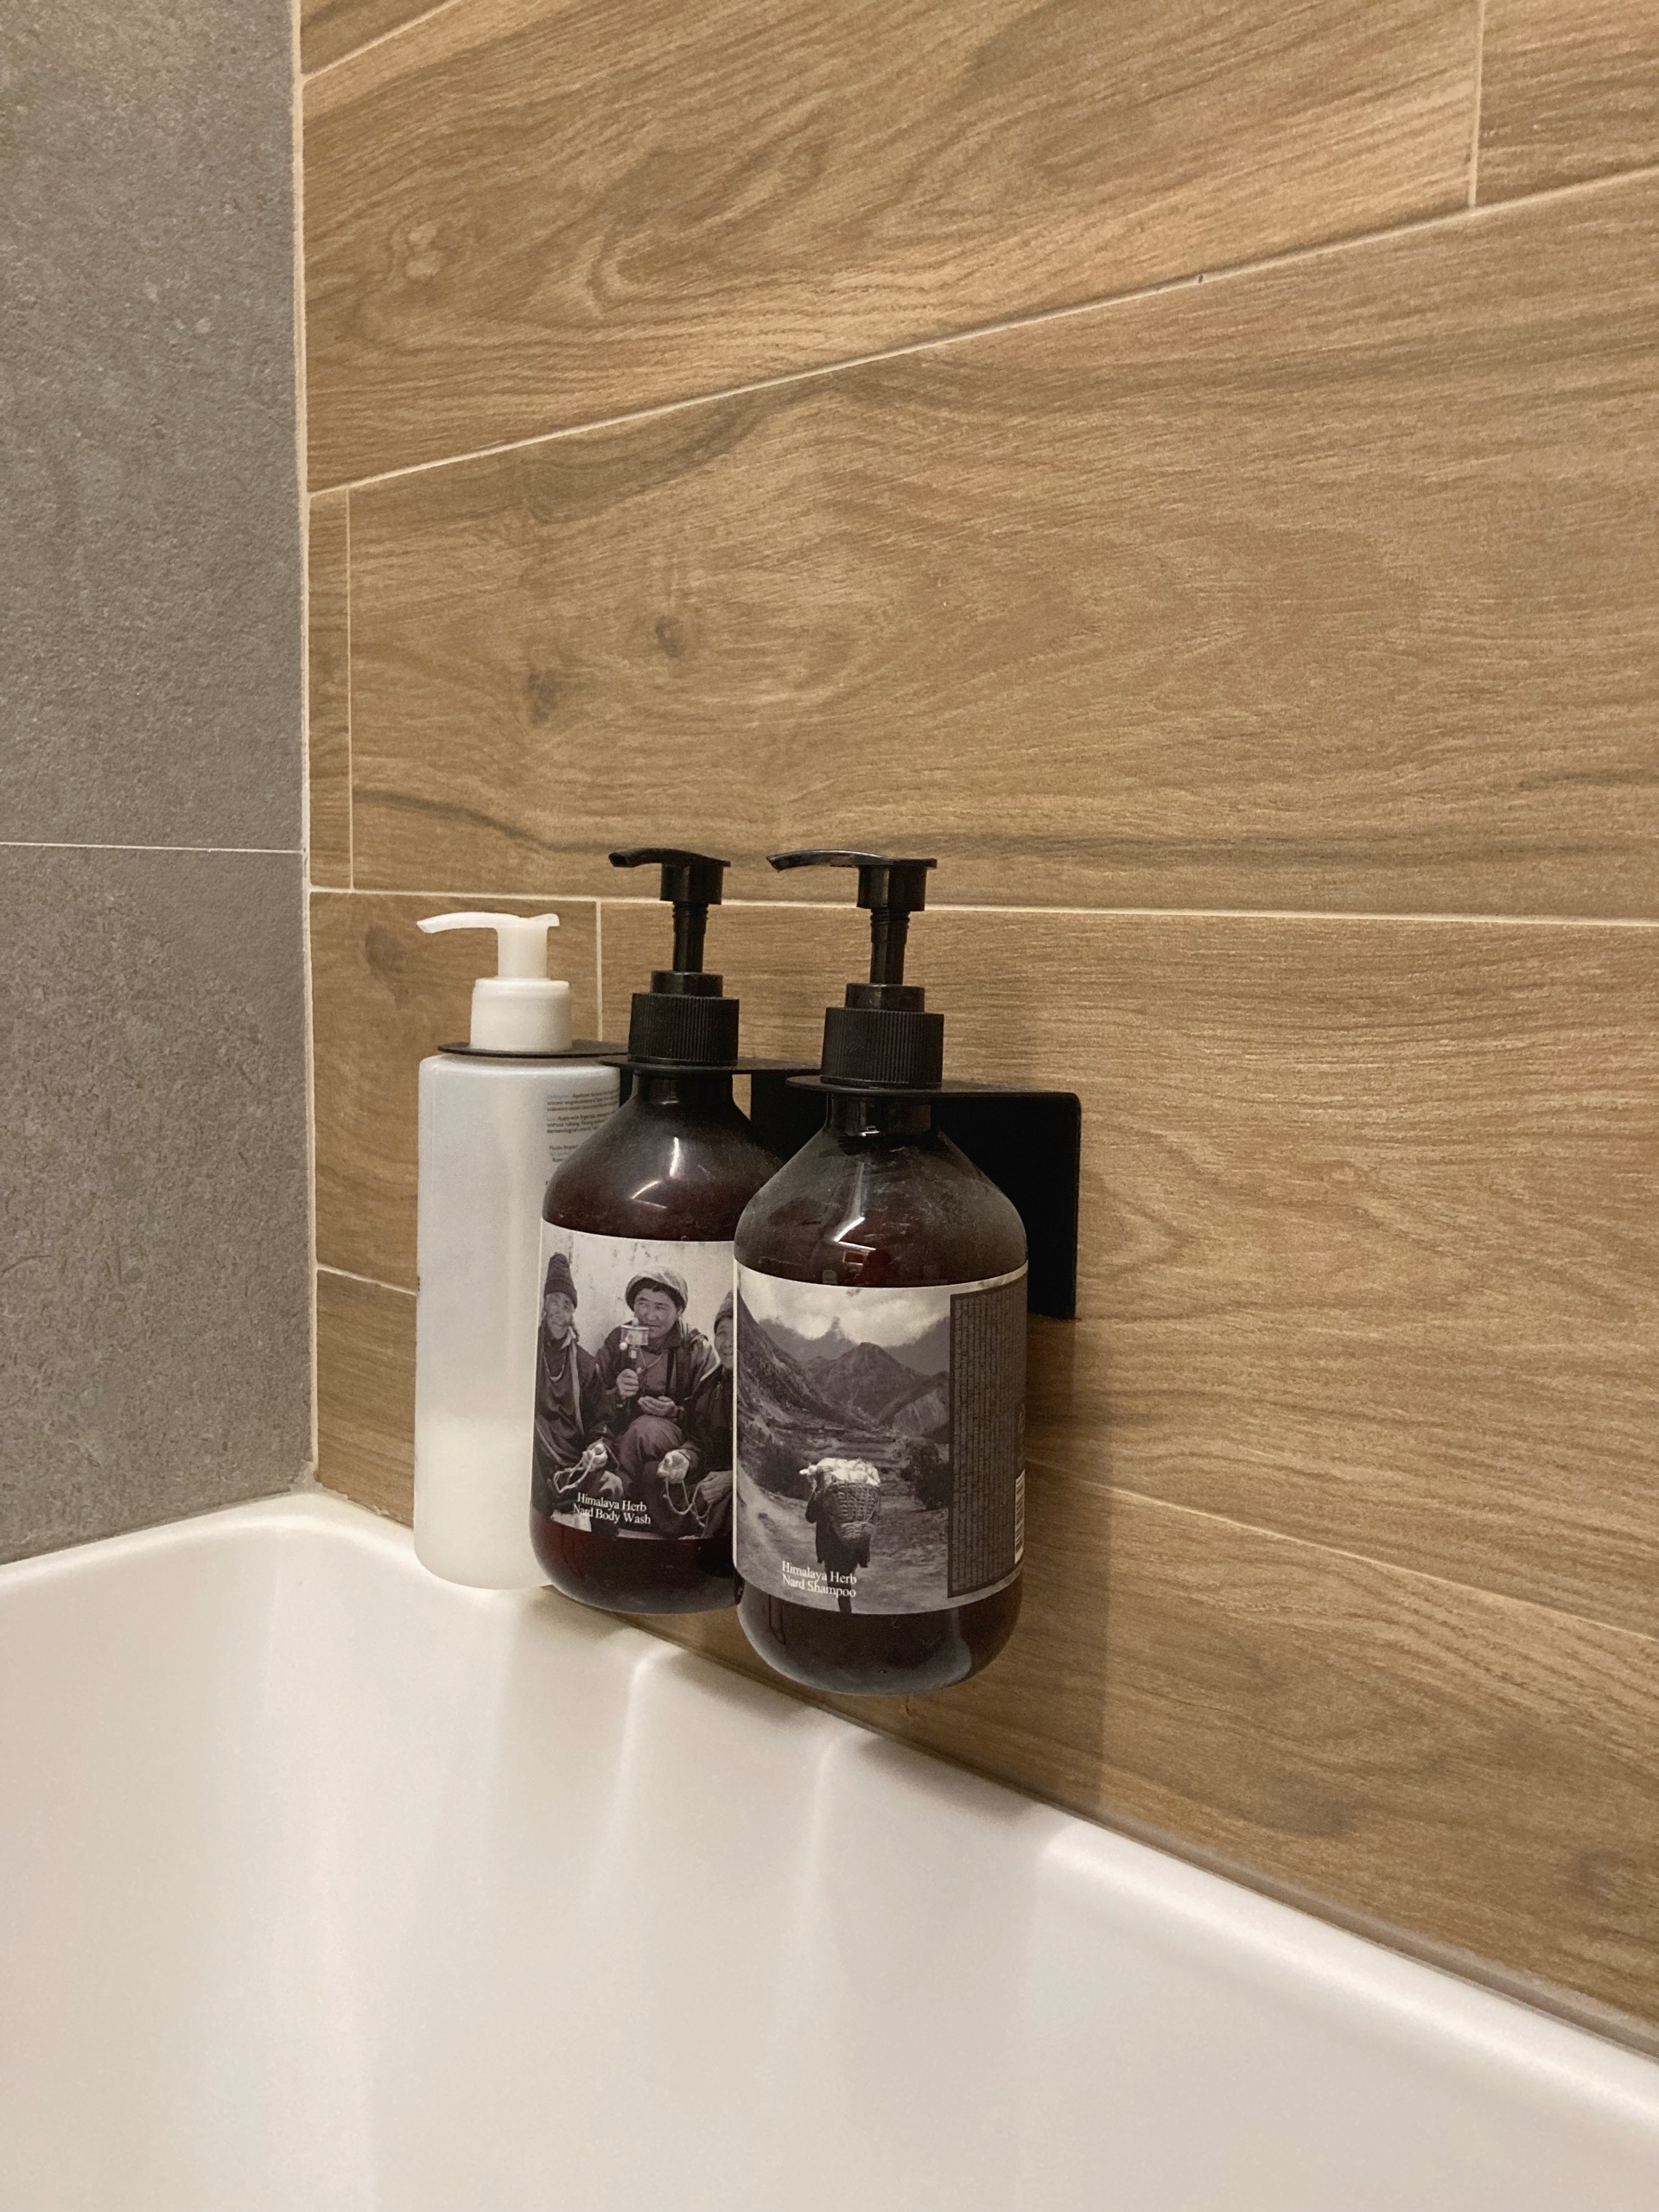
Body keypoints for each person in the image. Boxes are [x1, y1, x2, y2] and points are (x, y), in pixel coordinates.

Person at [593, 1268, 718, 1528]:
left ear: (679, 1310)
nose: (649, 1316)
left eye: (660, 1307)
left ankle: (615, 1501)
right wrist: (616, 1394)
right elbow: (589, 1399)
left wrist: (674, 1413)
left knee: (644, 1430)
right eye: (643, 1304)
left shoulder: (696, 1348)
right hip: (622, 1435)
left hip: (678, 1438)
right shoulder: (620, 1339)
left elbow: (712, 1416)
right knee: (643, 1462)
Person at [530, 1250, 604, 1516]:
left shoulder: (585, 1364)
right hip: (534, 1450)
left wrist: (599, 1446)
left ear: (573, 1313)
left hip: (573, 1457)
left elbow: (600, 1419)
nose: (559, 1311)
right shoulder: (528, 1347)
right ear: (545, 1304)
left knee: (611, 1488)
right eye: (554, 1301)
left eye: (566, 1305)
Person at [655, 1291, 734, 1539]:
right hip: (711, 1477)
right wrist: (685, 1457)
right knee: (652, 1474)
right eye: (722, 1333)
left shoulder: (767, 1389)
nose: (728, 1342)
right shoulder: (711, 1384)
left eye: (738, 1333)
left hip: (742, 1485)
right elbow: (701, 1440)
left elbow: (773, 1463)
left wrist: (732, 1479)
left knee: (733, 1506)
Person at [802, 1457, 881, 1615]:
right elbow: (874, 1516)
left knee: (839, 1587)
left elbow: (810, 1517)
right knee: (844, 1585)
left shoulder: (823, 1494)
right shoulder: (859, 1495)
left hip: (832, 1548)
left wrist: (815, 1493)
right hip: (854, 1545)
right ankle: (845, 1610)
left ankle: (845, 1617)